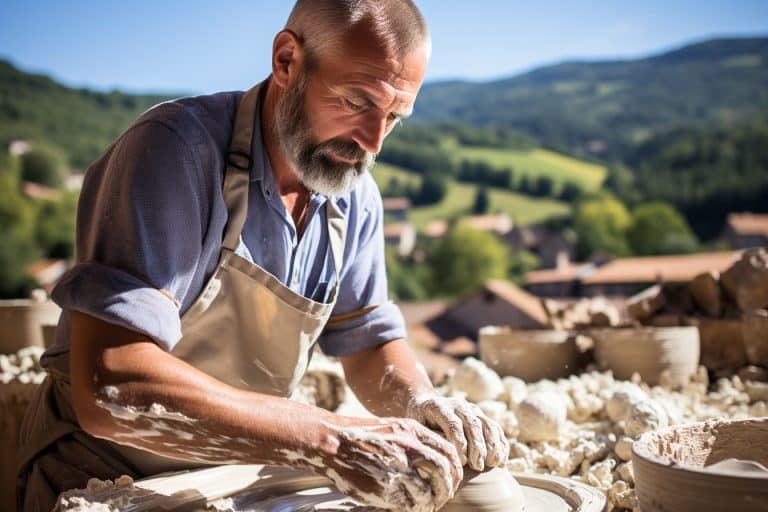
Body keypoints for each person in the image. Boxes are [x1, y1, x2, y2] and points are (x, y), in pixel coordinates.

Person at [16, 1, 509, 510]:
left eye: (393, 118)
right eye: (356, 101)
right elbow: (113, 385)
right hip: (103, 475)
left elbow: (367, 346)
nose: (372, 142)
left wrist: (419, 401)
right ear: (286, 60)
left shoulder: (355, 197)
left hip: (235, 478)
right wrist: (329, 441)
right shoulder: (174, 151)